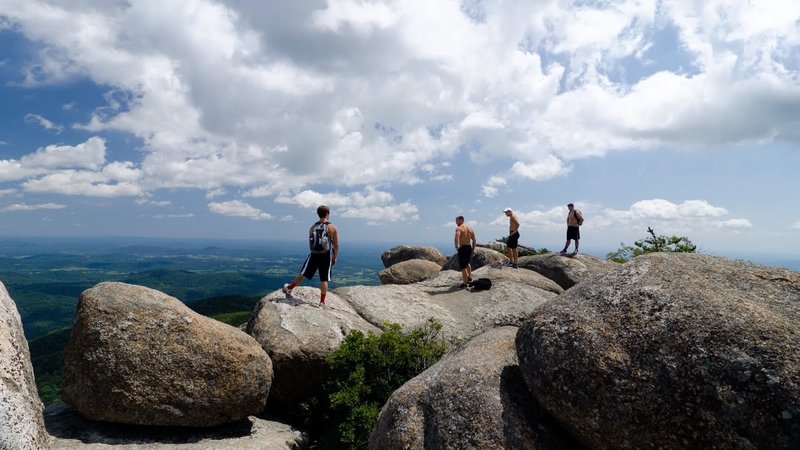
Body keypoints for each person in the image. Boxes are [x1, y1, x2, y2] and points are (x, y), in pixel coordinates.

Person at [283, 205, 339, 308]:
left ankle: (289, 288)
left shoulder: (312, 227)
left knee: (303, 273)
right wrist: (334, 257)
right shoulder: (332, 227)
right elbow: (336, 245)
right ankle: (322, 303)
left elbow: (311, 243)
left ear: (318, 214)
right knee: (324, 279)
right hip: (326, 255)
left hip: (314, 254)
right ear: (327, 214)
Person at [454, 215, 477, 288]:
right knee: (467, 263)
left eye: (457, 220)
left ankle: (465, 283)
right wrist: (473, 249)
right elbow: (474, 240)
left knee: (463, 267)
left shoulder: (459, 228)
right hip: (469, 247)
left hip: (463, 248)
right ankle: (469, 277)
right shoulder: (470, 228)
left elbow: (456, 238)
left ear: (461, 220)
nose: (456, 222)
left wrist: (457, 247)